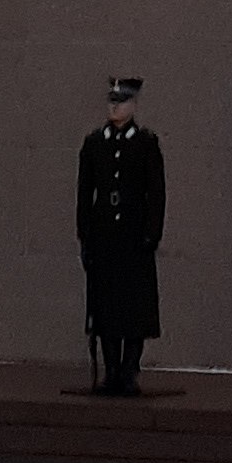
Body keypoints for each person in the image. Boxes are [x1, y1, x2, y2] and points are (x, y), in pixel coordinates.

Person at [76, 76, 166, 397]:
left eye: (122, 101)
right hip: (104, 239)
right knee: (106, 308)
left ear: (133, 104)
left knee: (134, 308)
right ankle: (111, 370)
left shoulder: (144, 143)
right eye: (112, 101)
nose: (116, 106)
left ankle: (129, 371)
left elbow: (155, 194)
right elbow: (85, 195)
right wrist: (85, 238)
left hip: (133, 239)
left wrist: (151, 235)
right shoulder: (94, 144)